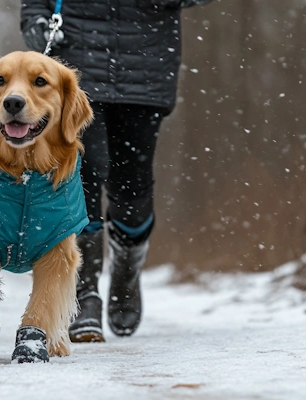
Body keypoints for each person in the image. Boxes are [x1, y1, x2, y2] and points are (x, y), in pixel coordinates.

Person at [21, 0, 213, 342]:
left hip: (146, 65)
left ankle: (126, 272)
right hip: (76, 64)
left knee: (133, 183)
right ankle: (84, 294)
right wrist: (35, 20)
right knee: (83, 172)